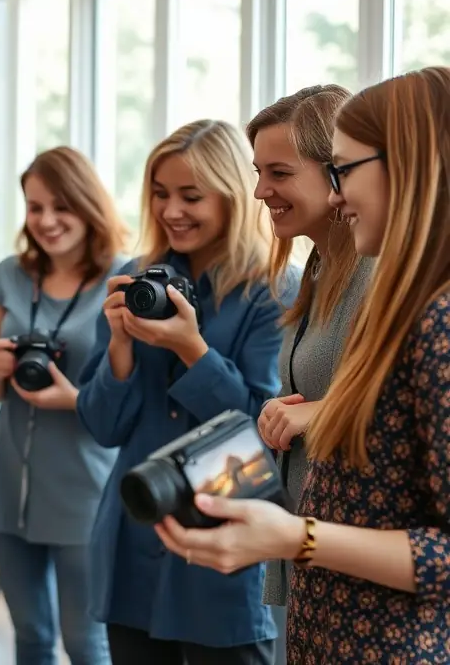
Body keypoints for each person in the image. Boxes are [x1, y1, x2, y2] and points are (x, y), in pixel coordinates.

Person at [157, 67, 450, 663]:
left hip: (380, 620)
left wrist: (300, 532)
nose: (260, 192)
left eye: (343, 171)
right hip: (327, 599)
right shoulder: (322, 271)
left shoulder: (418, 305)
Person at [75, 119, 296, 665]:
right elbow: (103, 428)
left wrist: (193, 350)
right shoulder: (136, 282)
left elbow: (262, 430)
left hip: (225, 532)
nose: (171, 210)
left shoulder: (273, 291)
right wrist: (120, 350)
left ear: (230, 196)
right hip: (136, 528)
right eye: (160, 194)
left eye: (190, 196)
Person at [0, 146, 129, 665]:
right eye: (34, 208)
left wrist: (74, 398)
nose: (46, 221)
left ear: (87, 204)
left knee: (87, 643)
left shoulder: (124, 279)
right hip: (7, 482)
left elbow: (129, 398)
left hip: (85, 489)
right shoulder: (8, 275)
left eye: (60, 206)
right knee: (31, 637)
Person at [247, 84, 373, 662]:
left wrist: (318, 412)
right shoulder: (318, 267)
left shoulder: (378, 274)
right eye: (258, 172)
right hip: (312, 541)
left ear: (337, 171)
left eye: (278, 173)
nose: (260, 191)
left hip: (358, 554)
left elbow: (401, 409)